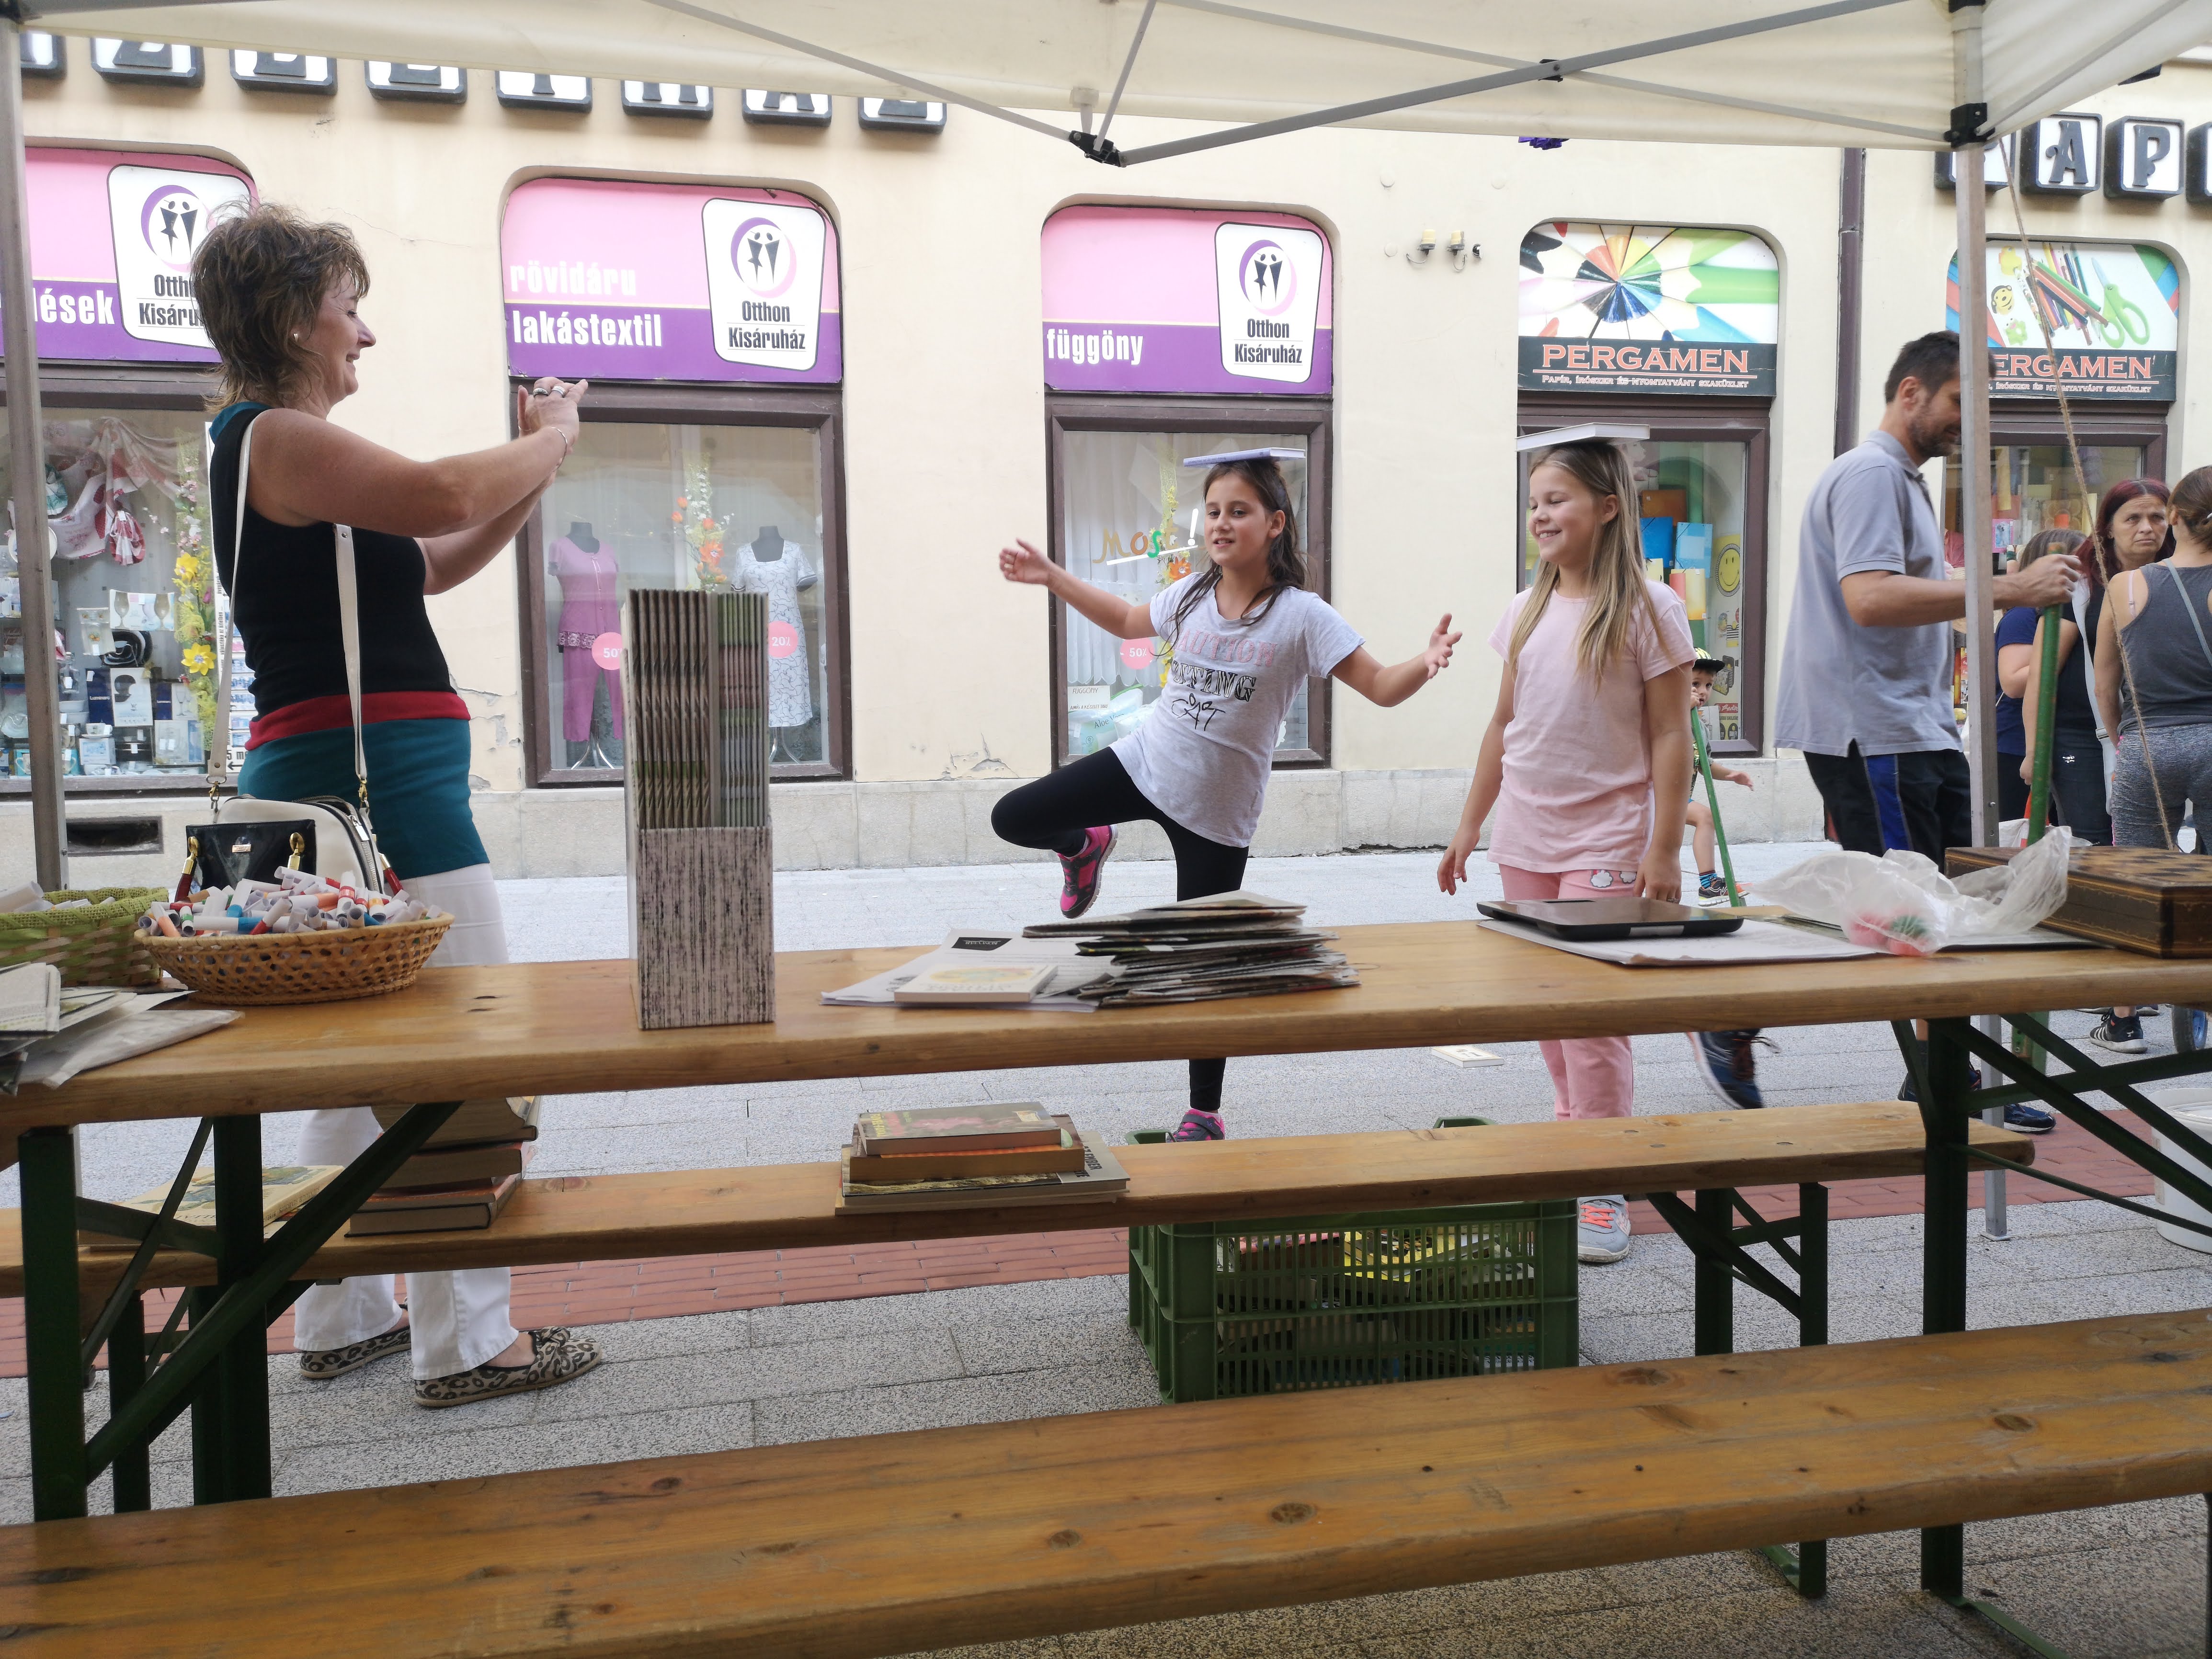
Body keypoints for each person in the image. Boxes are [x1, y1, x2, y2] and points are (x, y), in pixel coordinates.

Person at [194, 203, 603, 1407]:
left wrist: (531, 470)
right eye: (348, 308)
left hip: (317, 791)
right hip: (383, 797)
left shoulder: (265, 453)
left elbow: (433, 556)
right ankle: (468, 1343)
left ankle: (340, 1315)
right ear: (293, 319)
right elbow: (436, 492)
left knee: (350, 1067)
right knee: (462, 1053)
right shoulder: (277, 435)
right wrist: (556, 435)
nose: (363, 334)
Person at [992, 454, 1459, 1143]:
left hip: (1216, 815)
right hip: (1146, 763)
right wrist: (1052, 576)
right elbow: (1126, 619)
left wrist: (1425, 662)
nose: (1220, 523)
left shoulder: (1302, 616)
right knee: (1013, 816)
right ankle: (1084, 844)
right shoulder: (1189, 595)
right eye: (1212, 511)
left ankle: (1203, 1113)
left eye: (1238, 511)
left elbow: (1379, 685)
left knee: (1205, 964)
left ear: (1274, 524)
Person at [1773, 330, 2066, 1125]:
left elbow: (1897, 595)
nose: (1970, 422)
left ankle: (1942, 1071)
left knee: (1934, 908)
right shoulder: (1871, 472)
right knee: (1910, 912)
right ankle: (1930, 1073)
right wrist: (2007, 587)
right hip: (1875, 729)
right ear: (1910, 392)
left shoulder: (1898, 478)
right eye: (1960, 402)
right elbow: (1869, 597)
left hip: (1910, 724)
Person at [1436, 439, 1692, 1264]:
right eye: (1533, 503)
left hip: (1606, 837)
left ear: (1607, 507)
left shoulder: (1651, 608)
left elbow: (1671, 734)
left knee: (1589, 1019)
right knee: (1548, 1014)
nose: (1540, 515)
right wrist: (1469, 826)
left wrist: (1663, 846)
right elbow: (1501, 725)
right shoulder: (1523, 609)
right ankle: (1573, 1140)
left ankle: (1600, 1178)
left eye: (1557, 500)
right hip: (1525, 837)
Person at [2095, 468, 2212, 1054]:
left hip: (2148, 743)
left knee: (2136, 881)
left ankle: (2124, 1020)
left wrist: (2125, 739)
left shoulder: (2125, 586)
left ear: (2174, 518)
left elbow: (2104, 681)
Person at [2074, 478, 2171, 1051]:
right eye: (2133, 517)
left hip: (2140, 737)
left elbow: (2107, 685)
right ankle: (2126, 1004)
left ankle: (2130, 1008)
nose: (2146, 528)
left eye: (2157, 517)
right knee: (2123, 865)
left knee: (2143, 870)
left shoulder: (2176, 576)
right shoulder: (2089, 586)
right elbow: (2093, 678)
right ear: (2107, 527)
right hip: (2093, 734)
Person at [1998, 528, 2104, 836]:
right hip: (2018, 740)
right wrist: (2060, 658)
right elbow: (2012, 681)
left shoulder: (2081, 607)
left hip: (2047, 734)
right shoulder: (2024, 616)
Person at [1685, 651, 1753, 905]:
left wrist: (1731, 775)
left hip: (1677, 798)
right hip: (1651, 796)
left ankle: (1709, 886)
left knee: (1706, 817)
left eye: (1709, 685)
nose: (1703, 691)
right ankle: (1709, 884)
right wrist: (1681, 709)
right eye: (1695, 683)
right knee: (1705, 817)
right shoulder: (1665, 714)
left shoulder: (1700, 726)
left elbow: (1705, 764)